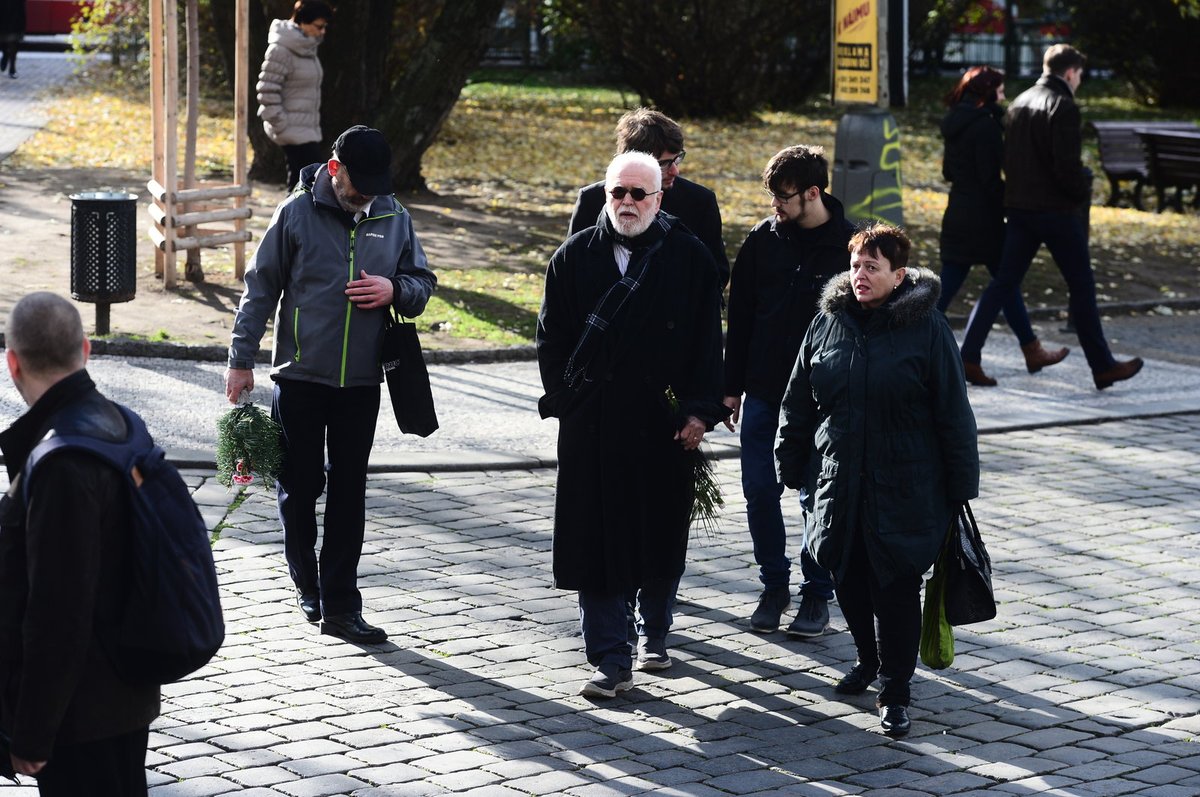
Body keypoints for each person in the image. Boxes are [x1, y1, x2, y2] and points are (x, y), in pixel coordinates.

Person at [225, 125, 436, 644]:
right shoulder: (295, 213)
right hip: (299, 377)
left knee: (349, 491)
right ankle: (308, 586)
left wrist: (395, 289)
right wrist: (240, 360)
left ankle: (341, 604)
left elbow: (422, 283)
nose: (368, 195)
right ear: (335, 169)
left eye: (376, 186)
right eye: (359, 184)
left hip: (363, 382)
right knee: (299, 488)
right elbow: (260, 290)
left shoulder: (393, 214)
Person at [537, 151, 729, 698]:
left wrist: (698, 411)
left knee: (658, 534)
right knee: (595, 539)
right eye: (617, 192)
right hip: (592, 424)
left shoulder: (689, 257)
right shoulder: (573, 257)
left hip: (662, 425)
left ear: (659, 198)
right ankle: (608, 658)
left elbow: (704, 345)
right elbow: (551, 343)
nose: (626, 203)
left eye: (637, 194)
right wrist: (570, 402)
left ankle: (655, 632)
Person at [776, 225, 979, 738]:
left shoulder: (927, 328)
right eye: (856, 265)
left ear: (899, 275)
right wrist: (790, 456)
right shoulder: (829, 321)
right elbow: (798, 395)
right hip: (838, 477)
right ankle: (868, 659)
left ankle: (895, 690)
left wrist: (961, 485)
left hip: (906, 483)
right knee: (845, 572)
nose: (860, 275)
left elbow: (954, 410)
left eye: (873, 267)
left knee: (895, 585)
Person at [0, 293, 160, 794]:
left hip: (81, 716)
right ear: (86, 350)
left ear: (12, 363)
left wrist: (31, 733)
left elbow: (58, 614)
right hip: (126, 692)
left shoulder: (60, 463)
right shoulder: (123, 423)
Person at [959, 44, 1143, 390]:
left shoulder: (1018, 103)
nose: (1080, 81)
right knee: (1082, 285)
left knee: (1003, 284)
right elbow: (1066, 166)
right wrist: (1079, 193)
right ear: (1071, 72)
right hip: (1056, 211)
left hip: (1020, 209)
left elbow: (1008, 160)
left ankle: (968, 354)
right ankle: (1102, 366)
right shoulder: (1064, 106)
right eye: (1080, 75)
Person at [722, 145, 851, 637]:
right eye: (771, 195)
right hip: (762, 389)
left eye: (783, 196)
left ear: (813, 193)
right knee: (758, 489)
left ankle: (817, 594)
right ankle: (773, 585)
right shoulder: (762, 239)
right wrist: (730, 388)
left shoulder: (847, 246)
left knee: (815, 496)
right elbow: (741, 317)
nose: (774, 204)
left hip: (821, 400)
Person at [938, 66, 1068, 386]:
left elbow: (948, 172)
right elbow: (990, 179)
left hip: (959, 212)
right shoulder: (985, 126)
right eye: (999, 89)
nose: (1004, 94)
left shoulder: (956, 121)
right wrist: (1009, 205)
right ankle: (917, 341)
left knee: (995, 282)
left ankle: (1030, 349)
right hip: (982, 219)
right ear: (988, 91)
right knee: (996, 283)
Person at [568, 107, 730, 290]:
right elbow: (572, 267)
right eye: (664, 164)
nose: (675, 170)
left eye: (677, 159)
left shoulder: (699, 202)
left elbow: (716, 274)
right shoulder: (592, 200)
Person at [257, 0, 334, 192]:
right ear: (302, 20)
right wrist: (281, 124)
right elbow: (266, 90)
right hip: (292, 131)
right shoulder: (280, 50)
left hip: (307, 129)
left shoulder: (308, 48)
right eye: (319, 26)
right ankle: (290, 221)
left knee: (305, 185)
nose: (323, 31)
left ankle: (293, 221)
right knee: (305, 186)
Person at [0, 0, 25, 79]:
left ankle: (12, 68)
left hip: (16, 9)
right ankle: (5, 54)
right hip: (2, 8)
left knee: (14, 39)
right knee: (2, 37)